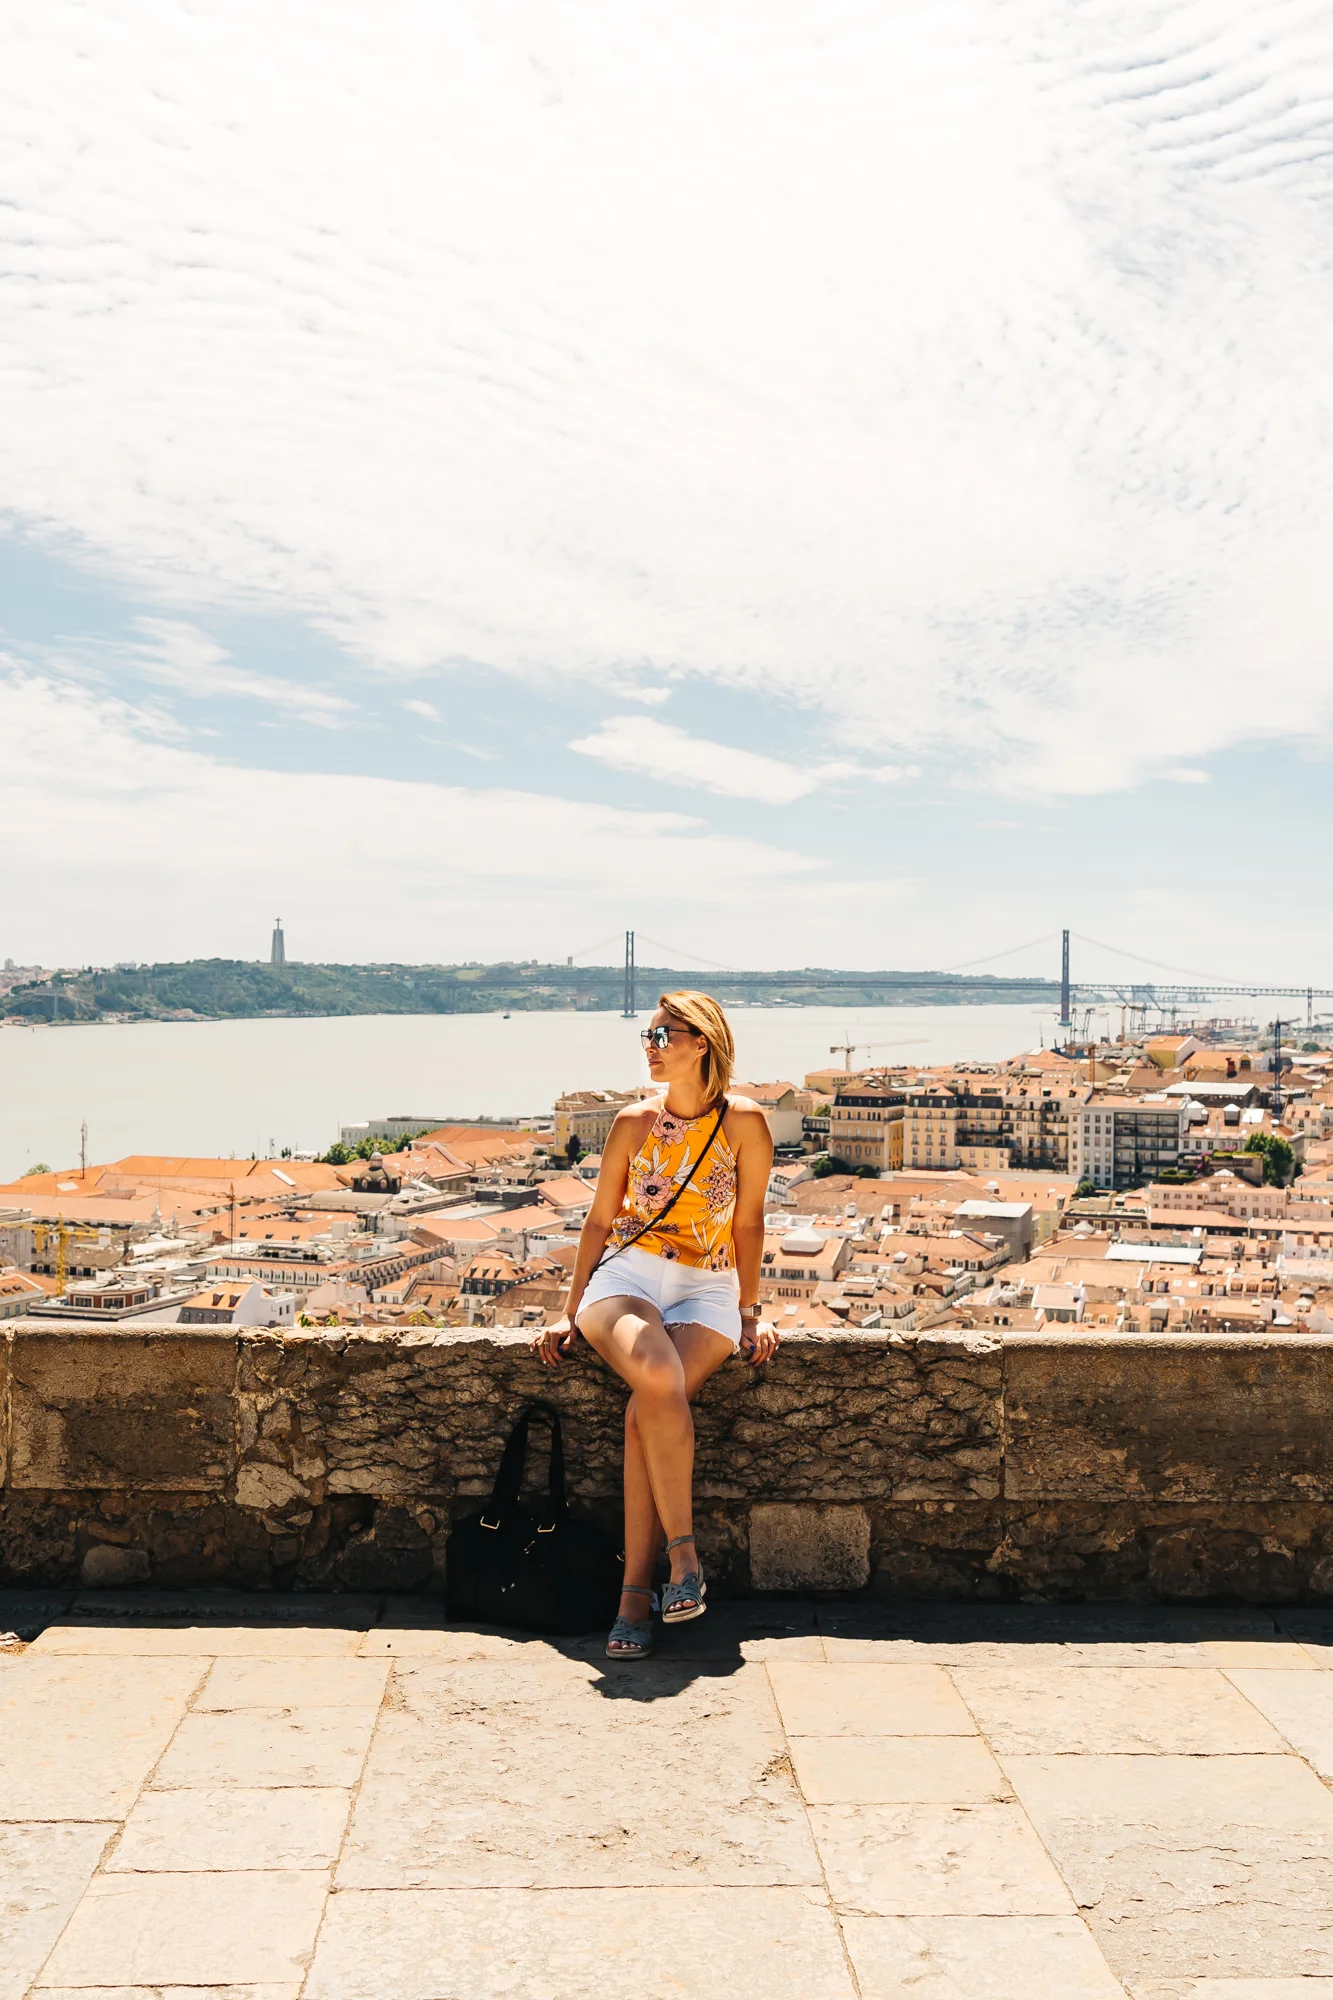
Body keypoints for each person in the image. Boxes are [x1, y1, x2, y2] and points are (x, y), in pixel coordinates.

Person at [532, 990, 778, 1658]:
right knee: (656, 1374)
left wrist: (752, 1314)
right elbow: (596, 1223)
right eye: (648, 1033)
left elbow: (750, 1222)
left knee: (647, 1412)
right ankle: (683, 1559)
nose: (650, 1044)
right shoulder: (631, 1123)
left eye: (662, 1034)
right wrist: (566, 1311)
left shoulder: (745, 1123)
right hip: (627, 1277)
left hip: (709, 1285)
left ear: (702, 1042)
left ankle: (632, 1597)